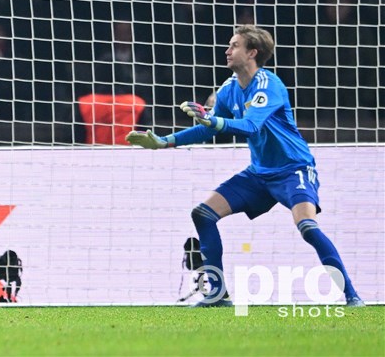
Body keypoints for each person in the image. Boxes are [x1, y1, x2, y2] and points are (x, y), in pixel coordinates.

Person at [125, 25, 364, 307]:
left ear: (252, 53)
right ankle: (216, 294)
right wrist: (164, 141)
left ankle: (351, 295)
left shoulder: (268, 85)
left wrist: (212, 120)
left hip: (293, 169)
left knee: (307, 226)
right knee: (203, 214)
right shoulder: (228, 89)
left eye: (235, 45)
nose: (227, 50)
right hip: (259, 173)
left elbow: (250, 126)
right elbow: (208, 128)